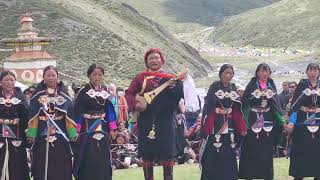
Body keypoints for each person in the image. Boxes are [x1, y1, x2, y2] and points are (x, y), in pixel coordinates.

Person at [125, 48, 184, 180]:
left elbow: (179, 96)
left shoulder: (171, 78)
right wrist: (136, 104)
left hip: (166, 121)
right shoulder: (140, 77)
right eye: (151, 58)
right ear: (147, 61)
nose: (154, 60)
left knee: (167, 154)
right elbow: (129, 93)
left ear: (162, 60)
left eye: (157, 57)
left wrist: (175, 87)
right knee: (147, 154)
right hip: (146, 120)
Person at [26, 65, 77, 180]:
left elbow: (69, 117)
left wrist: (73, 136)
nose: (51, 78)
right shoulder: (37, 97)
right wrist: (32, 136)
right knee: (43, 168)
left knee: (62, 168)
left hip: (61, 137)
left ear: (58, 77)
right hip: (41, 138)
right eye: (48, 75)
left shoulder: (64, 96)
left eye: (53, 75)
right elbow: (33, 118)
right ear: (43, 77)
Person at [199, 64, 247, 180]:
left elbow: (236, 107)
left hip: (230, 125)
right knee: (214, 151)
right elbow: (209, 105)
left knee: (229, 153)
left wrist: (240, 126)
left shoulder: (233, 87)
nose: (228, 75)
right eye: (226, 73)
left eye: (231, 73)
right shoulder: (214, 86)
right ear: (221, 74)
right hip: (215, 125)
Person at [239, 63, 285, 180]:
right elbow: (245, 103)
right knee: (251, 152)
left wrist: (281, 121)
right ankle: (249, 176)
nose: (264, 73)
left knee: (266, 153)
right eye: (262, 71)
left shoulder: (271, 85)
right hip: (253, 123)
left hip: (268, 124)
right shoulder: (252, 85)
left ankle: (267, 176)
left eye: (267, 71)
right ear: (257, 72)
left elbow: (276, 105)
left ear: (269, 73)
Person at [73, 64, 117, 180]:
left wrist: (113, 128)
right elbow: (78, 111)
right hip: (86, 130)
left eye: (100, 75)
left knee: (103, 157)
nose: (97, 77)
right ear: (89, 76)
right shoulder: (84, 91)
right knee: (88, 157)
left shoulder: (105, 91)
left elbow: (110, 111)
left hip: (103, 129)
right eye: (94, 74)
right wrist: (77, 130)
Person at [286, 63, 320, 180]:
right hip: (302, 123)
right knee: (301, 150)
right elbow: (295, 105)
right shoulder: (302, 85)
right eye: (310, 69)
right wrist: (291, 122)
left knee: (317, 151)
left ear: (319, 72)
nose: (313, 72)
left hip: (318, 122)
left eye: (316, 70)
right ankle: (299, 175)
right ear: (306, 72)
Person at [0, 70, 30, 180]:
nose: (9, 82)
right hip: (0, 137)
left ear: (15, 82)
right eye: (6, 80)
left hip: (17, 137)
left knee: (17, 168)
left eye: (12, 80)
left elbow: (26, 118)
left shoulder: (21, 98)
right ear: (0, 82)